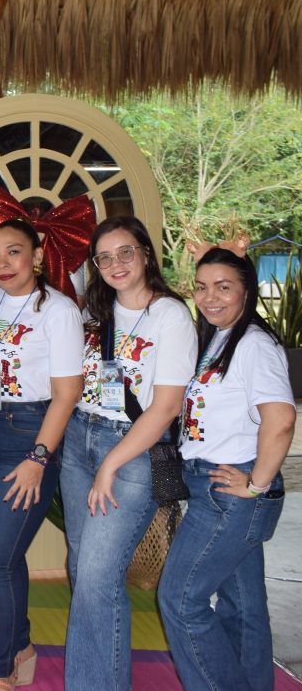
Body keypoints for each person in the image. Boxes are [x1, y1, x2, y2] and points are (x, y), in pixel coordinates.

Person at [60, 215, 197, 690]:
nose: (116, 264)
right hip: (79, 438)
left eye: (125, 252)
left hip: (131, 449)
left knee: (97, 577)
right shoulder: (95, 311)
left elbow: (166, 408)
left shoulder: (170, 316)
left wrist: (111, 465)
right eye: (104, 258)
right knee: (82, 568)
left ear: (145, 253)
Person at [159, 246, 295, 691]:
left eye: (223, 287)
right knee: (242, 606)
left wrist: (256, 485)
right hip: (216, 485)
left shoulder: (253, 344)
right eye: (201, 287)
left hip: (230, 491)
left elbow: (281, 419)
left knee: (180, 600)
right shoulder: (220, 337)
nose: (209, 298)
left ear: (246, 290)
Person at [0, 219, 83, 691]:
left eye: (13, 251)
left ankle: (0, 669)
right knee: (5, 557)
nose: (2, 263)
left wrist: (38, 457)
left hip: (26, 435)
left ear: (36, 255)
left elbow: (68, 392)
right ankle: (22, 647)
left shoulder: (58, 310)